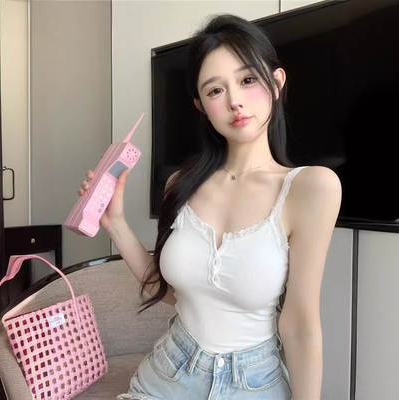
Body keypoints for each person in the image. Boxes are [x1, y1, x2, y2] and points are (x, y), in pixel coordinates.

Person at [78, 13, 341, 400]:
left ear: (276, 83)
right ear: (201, 105)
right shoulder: (180, 185)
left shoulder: (310, 188)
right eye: (215, 90)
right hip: (167, 374)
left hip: (254, 384)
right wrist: (115, 222)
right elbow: (174, 292)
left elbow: (300, 325)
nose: (235, 101)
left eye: (247, 80)